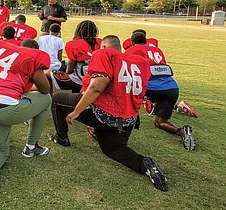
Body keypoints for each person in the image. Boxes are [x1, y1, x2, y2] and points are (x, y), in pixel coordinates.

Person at [47, 35, 169, 191]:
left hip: (105, 113)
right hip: (128, 119)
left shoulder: (104, 54)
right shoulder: (140, 62)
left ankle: (62, 137)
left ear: (103, 47)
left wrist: (77, 111)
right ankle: (143, 163)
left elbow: (97, 86)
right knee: (113, 150)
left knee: (57, 99)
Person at [0, 38, 52, 203]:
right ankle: (31, 147)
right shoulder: (31, 57)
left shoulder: (0, 50)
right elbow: (45, 89)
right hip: (7, 108)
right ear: (34, 50)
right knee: (47, 99)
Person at [125, 32, 195, 150]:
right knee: (160, 122)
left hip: (150, 87)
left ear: (132, 42)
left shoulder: (132, 50)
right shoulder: (157, 50)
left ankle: (120, 120)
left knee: (125, 90)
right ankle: (181, 131)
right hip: (171, 87)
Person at [52, 20, 100, 93]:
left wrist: (67, 73)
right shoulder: (101, 42)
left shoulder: (73, 44)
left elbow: (71, 63)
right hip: (98, 79)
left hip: (79, 79)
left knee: (49, 74)